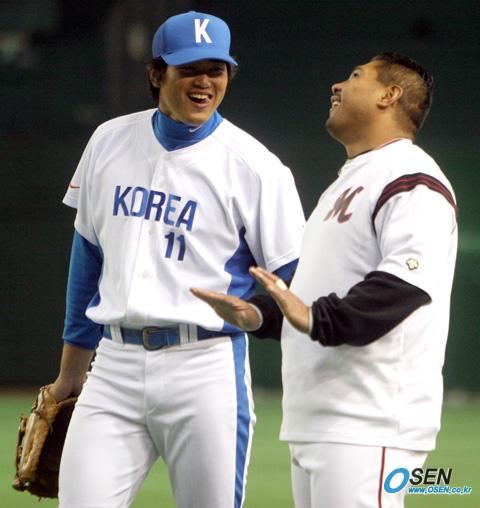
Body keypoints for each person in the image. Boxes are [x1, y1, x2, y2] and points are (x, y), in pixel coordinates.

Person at [50, 11, 305, 508]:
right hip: (114, 365)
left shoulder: (256, 167)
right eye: (189, 69)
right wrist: (70, 375)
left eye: (216, 69)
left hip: (204, 367)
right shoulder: (108, 140)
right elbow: (88, 262)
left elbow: (294, 281)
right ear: (156, 73)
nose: (204, 81)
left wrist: (261, 320)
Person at [191, 52, 458, 508]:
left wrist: (316, 317)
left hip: (370, 419)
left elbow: (406, 284)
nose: (338, 85)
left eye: (355, 76)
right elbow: (314, 293)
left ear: (389, 95)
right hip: (322, 418)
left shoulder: (412, 178)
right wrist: (259, 315)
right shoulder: (352, 179)